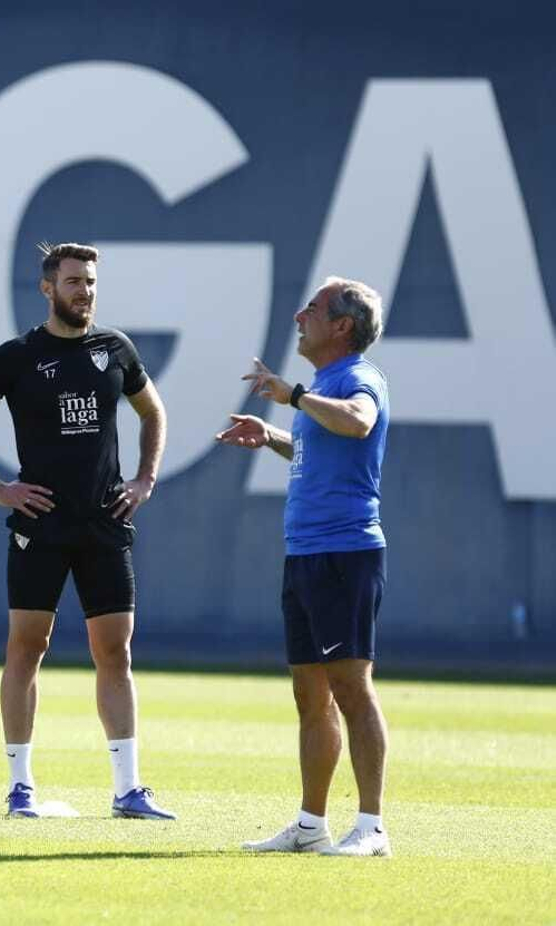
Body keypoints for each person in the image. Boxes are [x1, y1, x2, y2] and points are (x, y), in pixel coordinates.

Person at [0, 242, 174, 820]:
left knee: (113, 652)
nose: (84, 292)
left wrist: (145, 479)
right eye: (73, 282)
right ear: (48, 289)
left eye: (90, 282)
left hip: (104, 523)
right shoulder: (18, 355)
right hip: (40, 525)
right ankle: (20, 786)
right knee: (26, 649)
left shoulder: (114, 348)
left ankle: (128, 789)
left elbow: (153, 412)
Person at [220, 277, 393, 857]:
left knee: (351, 687)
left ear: (341, 326)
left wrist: (291, 397)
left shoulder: (356, 379)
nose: (300, 315)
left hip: (346, 553)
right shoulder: (324, 384)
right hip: (306, 554)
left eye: (313, 309)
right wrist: (271, 435)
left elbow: (358, 421)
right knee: (310, 695)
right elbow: (320, 443)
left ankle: (370, 827)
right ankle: (310, 824)